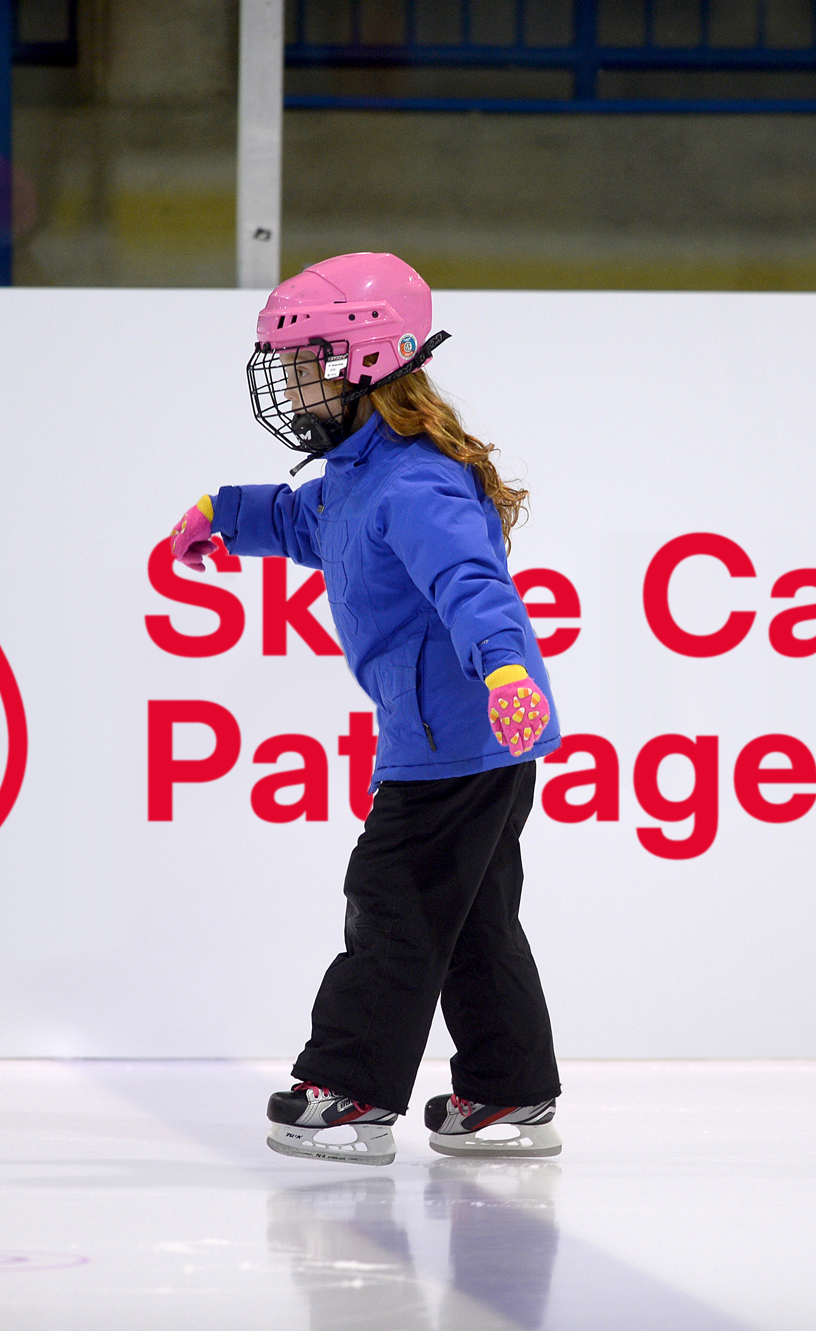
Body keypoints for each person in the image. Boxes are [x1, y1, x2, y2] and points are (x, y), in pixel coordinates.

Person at [166, 252, 564, 1166]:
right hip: (460, 742)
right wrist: (224, 511)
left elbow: (474, 584)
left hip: (459, 741)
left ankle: (347, 1091)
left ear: (363, 360)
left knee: (391, 906)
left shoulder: (415, 483)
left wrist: (506, 671)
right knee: (468, 918)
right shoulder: (361, 473)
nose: (290, 383)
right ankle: (508, 1090)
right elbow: (313, 524)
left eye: (302, 361)